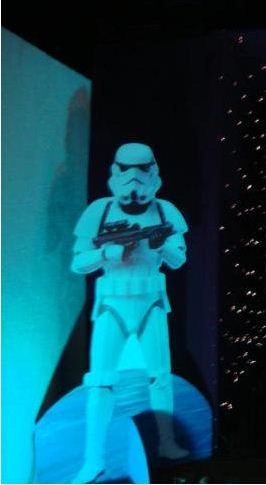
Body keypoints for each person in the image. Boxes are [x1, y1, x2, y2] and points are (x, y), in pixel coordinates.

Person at [71, 143, 189, 482]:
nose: (134, 178)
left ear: (153, 171)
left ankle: (166, 443)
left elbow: (179, 259)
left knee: (160, 376)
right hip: (113, 302)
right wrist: (108, 253)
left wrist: (160, 245)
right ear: (115, 171)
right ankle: (93, 460)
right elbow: (79, 262)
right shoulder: (100, 211)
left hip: (151, 301)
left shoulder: (165, 211)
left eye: (142, 169)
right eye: (126, 169)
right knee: (101, 381)